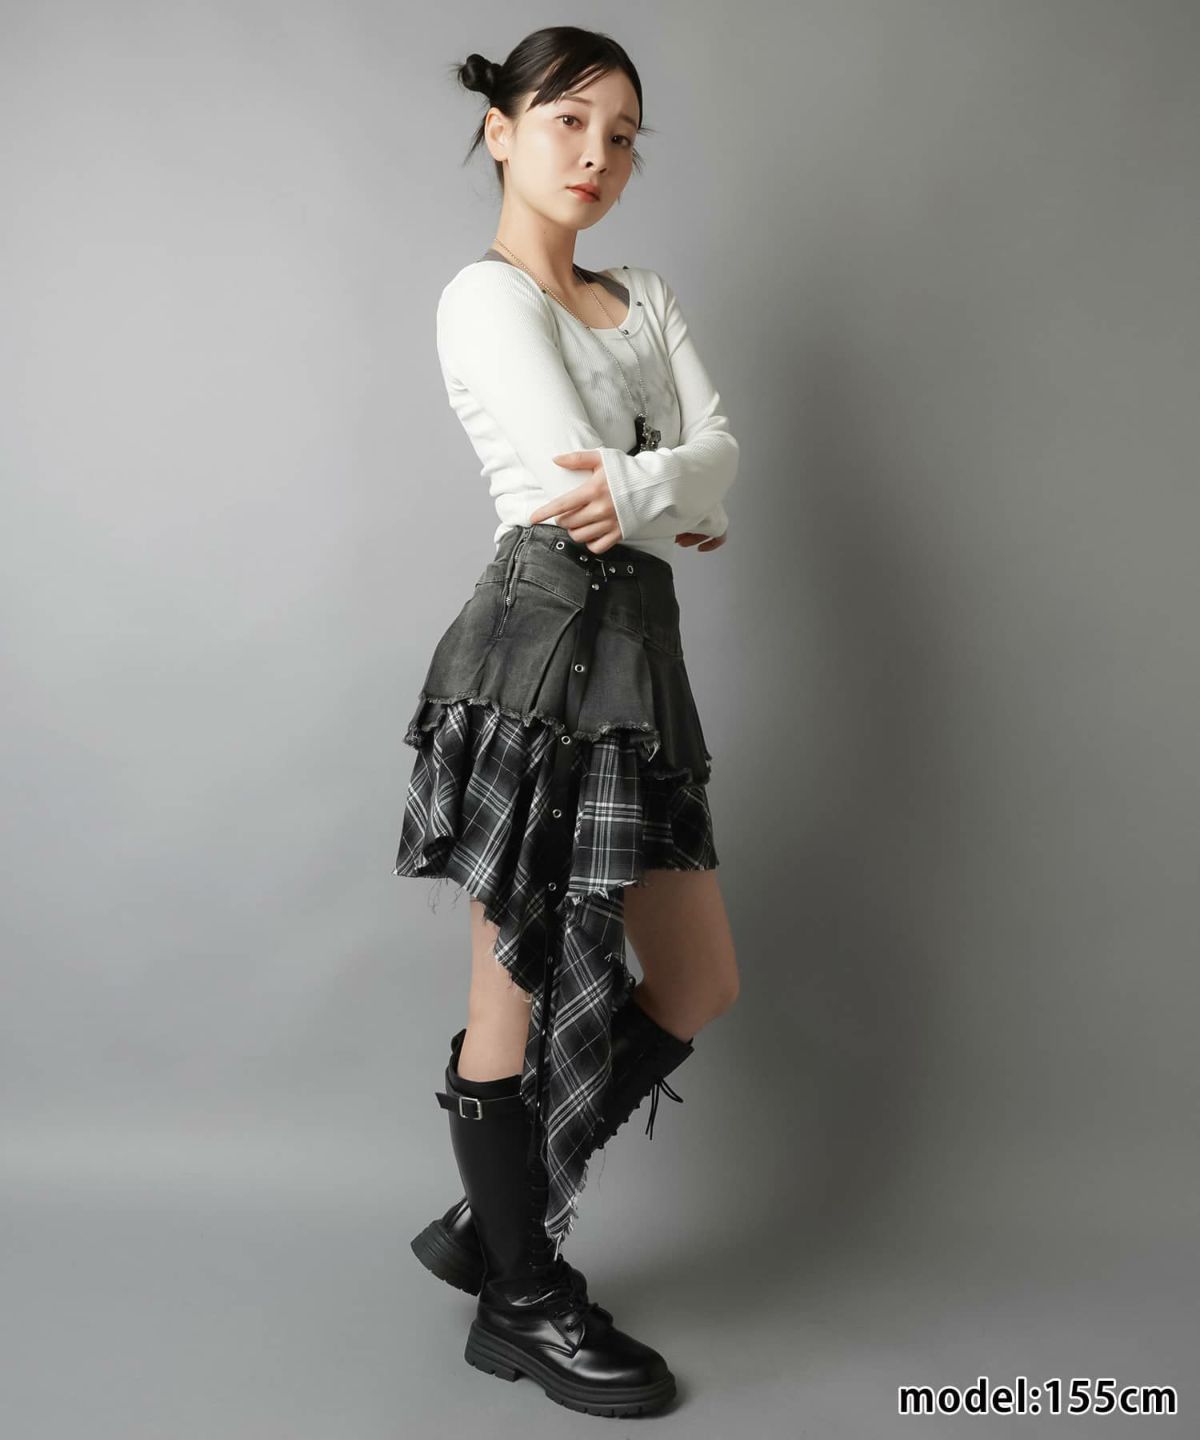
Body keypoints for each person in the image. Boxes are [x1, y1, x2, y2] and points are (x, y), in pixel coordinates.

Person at [392, 25, 740, 1417]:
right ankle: (522, 1301)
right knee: (514, 984)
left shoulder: (641, 296)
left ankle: (494, 1216)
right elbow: (567, 483)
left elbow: (723, 461)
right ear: (502, 131)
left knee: (698, 978)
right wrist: (678, 484)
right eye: (568, 122)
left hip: (639, 661)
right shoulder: (483, 298)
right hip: (536, 653)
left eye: (623, 135)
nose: (598, 155)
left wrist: (664, 484)